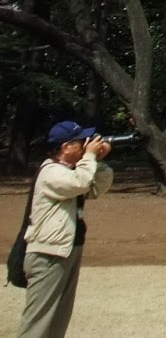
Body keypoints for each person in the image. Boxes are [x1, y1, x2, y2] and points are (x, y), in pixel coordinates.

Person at [17, 120, 114, 338]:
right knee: (38, 322)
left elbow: (98, 187)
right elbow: (78, 183)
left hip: (67, 250)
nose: (86, 145)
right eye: (81, 142)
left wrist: (98, 161)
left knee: (59, 319)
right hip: (48, 255)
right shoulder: (50, 171)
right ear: (65, 147)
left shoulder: (73, 170)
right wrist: (89, 157)